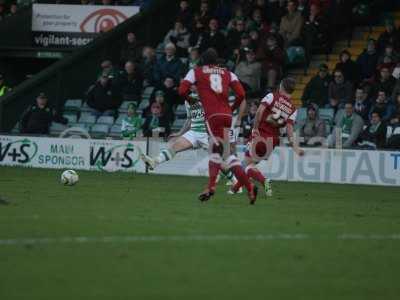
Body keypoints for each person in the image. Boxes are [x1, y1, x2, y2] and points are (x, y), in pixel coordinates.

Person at [178, 48, 258, 204]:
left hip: (212, 117)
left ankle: (213, 187)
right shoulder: (228, 73)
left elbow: (182, 90)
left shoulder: (196, 71)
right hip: (227, 116)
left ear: (203, 60)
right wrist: (232, 109)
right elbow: (242, 95)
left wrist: (191, 100)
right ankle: (247, 187)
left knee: (216, 152)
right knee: (226, 154)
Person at [229, 78, 304, 197]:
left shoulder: (271, 96)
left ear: (281, 86)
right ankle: (235, 189)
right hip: (273, 140)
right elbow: (289, 131)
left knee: (246, 165)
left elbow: (259, 113)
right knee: (250, 164)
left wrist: (254, 130)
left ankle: (263, 181)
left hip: (260, 134)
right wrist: (295, 148)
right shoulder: (293, 110)